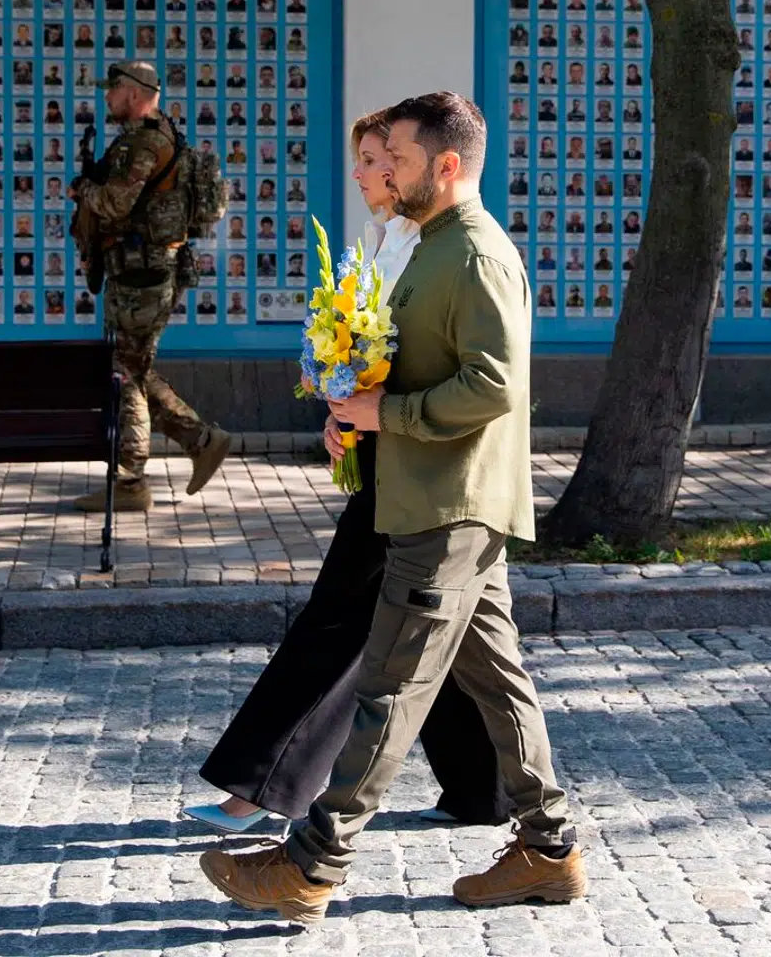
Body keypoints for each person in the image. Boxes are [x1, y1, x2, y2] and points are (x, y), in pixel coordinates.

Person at [197, 92, 582, 922]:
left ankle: (311, 867)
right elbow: (412, 375)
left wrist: (387, 417)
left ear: (446, 166)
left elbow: (494, 385)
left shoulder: (475, 254)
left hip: (449, 506)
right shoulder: (434, 248)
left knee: (390, 689)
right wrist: (357, 426)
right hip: (434, 495)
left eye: (398, 159)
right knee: (500, 685)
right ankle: (548, 853)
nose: (385, 171)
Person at [184, 110, 508, 836]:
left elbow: (486, 378)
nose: (365, 171)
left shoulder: (455, 250)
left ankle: (262, 787)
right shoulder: (393, 243)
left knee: (339, 621)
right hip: (401, 460)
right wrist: (345, 411)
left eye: (378, 156)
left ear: (422, 166)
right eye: (367, 156)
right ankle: (486, 791)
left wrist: (376, 411)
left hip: (431, 472)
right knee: (465, 640)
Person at [69, 61, 230, 513]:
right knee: (131, 368)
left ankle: (136, 478)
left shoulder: (146, 143)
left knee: (126, 373)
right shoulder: (159, 135)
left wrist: (83, 191)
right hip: (143, 270)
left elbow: (117, 204)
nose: (107, 97)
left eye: (114, 88)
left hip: (142, 273)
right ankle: (196, 444)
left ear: (137, 93)